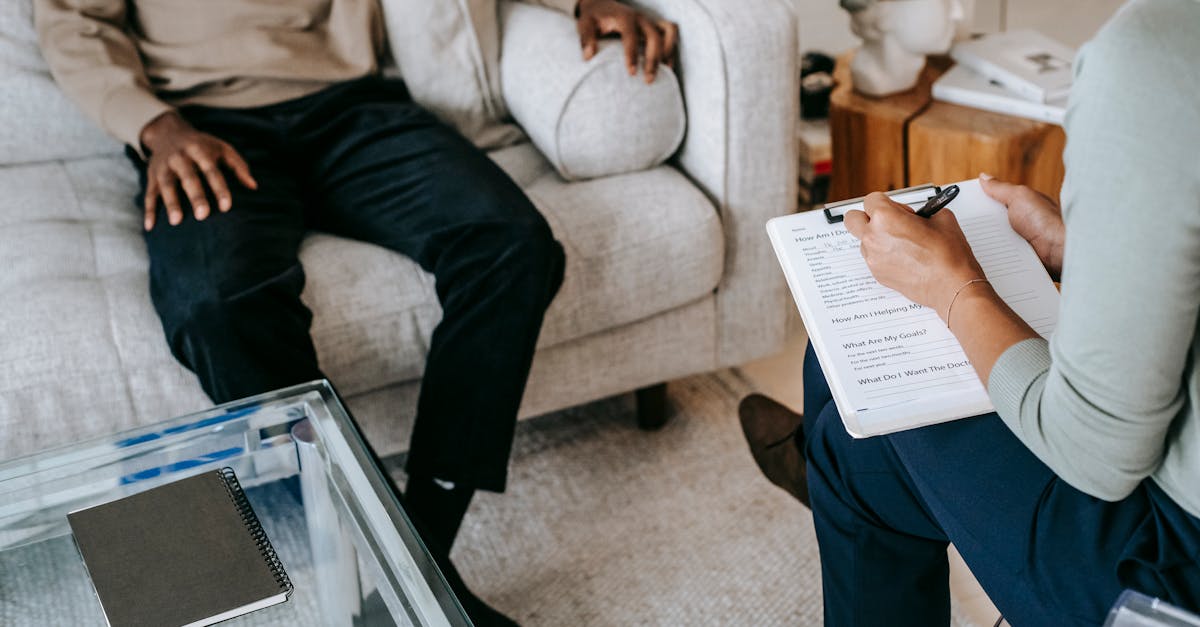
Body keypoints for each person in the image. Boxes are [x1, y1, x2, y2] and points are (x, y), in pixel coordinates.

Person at [34, 0, 677, 623]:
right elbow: (72, 19)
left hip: (353, 107)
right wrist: (156, 127)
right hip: (198, 123)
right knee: (215, 307)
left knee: (510, 246)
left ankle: (415, 556)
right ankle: (415, 577)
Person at [739, 0, 1200, 624]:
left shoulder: (1158, 55)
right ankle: (845, 478)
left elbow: (1094, 450)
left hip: (1170, 575)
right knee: (848, 390)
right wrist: (1098, 253)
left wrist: (953, 285)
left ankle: (839, 479)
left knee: (860, 412)